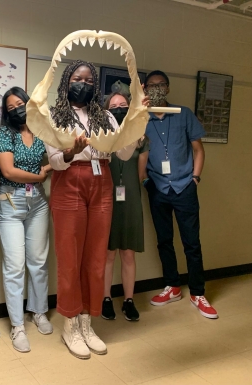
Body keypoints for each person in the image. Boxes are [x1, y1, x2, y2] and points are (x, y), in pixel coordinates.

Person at [46, 60, 149, 360]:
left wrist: (137, 121)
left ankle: (87, 322)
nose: (85, 83)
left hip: (101, 180)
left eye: (90, 80)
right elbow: (54, 161)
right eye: (78, 78)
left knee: (95, 256)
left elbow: (124, 151)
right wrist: (71, 152)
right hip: (69, 180)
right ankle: (70, 323)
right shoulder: (55, 116)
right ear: (67, 81)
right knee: (70, 257)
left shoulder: (104, 116)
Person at [141, 70, 218, 319]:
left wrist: (195, 178)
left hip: (184, 186)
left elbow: (198, 149)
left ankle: (197, 292)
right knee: (164, 241)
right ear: (144, 89)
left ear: (168, 88)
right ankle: (172, 286)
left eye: (161, 85)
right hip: (158, 187)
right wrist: (145, 180)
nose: (157, 89)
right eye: (152, 86)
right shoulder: (141, 118)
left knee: (191, 243)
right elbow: (134, 150)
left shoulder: (183, 114)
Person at [0, 86, 53, 353]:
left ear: (29, 104)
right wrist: (40, 176)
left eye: (20, 103)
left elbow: (58, 156)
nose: (16, 109)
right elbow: (8, 170)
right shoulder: (5, 134)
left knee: (38, 262)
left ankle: (39, 311)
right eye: (10, 108)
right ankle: (18, 325)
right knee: (15, 266)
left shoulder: (42, 131)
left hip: (38, 203)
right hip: (10, 203)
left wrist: (49, 169)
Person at [102, 91, 149, 322]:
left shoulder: (140, 136)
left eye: (123, 105)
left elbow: (141, 174)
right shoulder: (102, 136)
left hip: (129, 199)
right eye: (114, 105)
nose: (119, 108)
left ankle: (129, 300)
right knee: (108, 253)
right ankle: (106, 298)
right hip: (106, 199)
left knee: (128, 254)